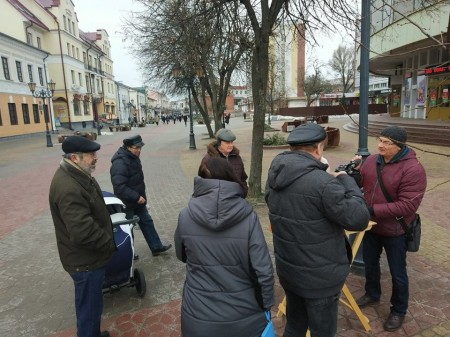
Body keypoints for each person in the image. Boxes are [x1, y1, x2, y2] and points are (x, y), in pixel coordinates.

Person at [265, 123, 370, 337]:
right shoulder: (323, 184)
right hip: (320, 277)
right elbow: (359, 218)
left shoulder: (275, 176)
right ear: (319, 149)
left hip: (290, 271)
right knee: (323, 331)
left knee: (294, 326)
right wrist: (345, 180)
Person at [175, 157, 274, 337]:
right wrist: (266, 304)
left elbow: (181, 255)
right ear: (231, 176)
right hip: (245, 315)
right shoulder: (248, 216)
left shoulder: (185, 215)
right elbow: (263, 270)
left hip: (198, 314)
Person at [354, 126, 427, 332]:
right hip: (372, 226)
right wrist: (353, 170)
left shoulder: (413, 169)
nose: (380, 145)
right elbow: (362, 182)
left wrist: (371, 209)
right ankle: (372, 293)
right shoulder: (371, 161)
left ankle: (399, 310)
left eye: (387, 142)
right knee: (370, 263)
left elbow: (408, 206)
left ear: (400, 145)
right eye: (379, 140)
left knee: (397, 272)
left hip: (395, 230)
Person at [49, 136, 116, 337]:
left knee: (91, 305)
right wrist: (108, 243)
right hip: (85, 261)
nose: (96, 158)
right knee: (89, 309)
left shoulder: (77, 174)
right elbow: (82, 231)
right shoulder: (68, 186)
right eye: (91, 155)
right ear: (75, 157)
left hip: (86, 258)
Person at [110, 135, 172, 258]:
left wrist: (139, 197)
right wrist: (136, 196)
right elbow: (119, 186)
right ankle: (129, 253)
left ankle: (156, 247)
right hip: (126, 203)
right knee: (128, 229)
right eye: (136, 148)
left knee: (147, 222)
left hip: (138, 201)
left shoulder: (133, 157)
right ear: (127, 147)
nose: (139, 150)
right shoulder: (120, 162)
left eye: (140, 147)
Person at [200, 128, 248, 197]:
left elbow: (243, 177)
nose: (231, 145)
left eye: (232, 142)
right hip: (217, 200)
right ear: (219, 143)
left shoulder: (236, 157)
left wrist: (243, 191)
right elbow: (203, 182)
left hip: (236, 198)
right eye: (227, 143)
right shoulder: (208, 160)